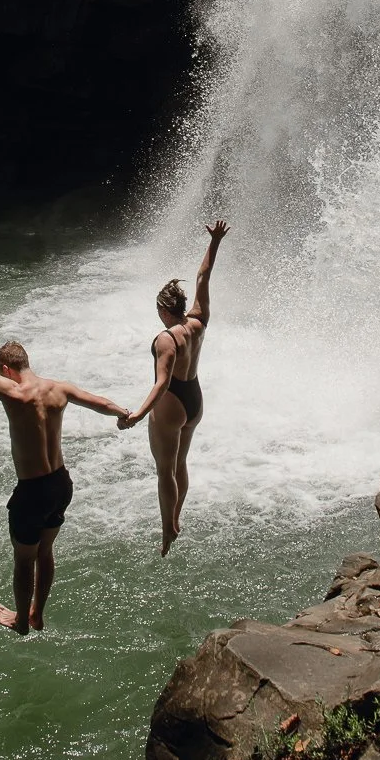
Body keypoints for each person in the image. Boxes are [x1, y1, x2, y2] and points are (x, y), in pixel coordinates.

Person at [0, 284, 130, 634]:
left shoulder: (14, 393)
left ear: (7, 369)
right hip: (61, 483)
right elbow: (97, 400)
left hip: (32, 491)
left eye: (0, 371)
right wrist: (123, 413)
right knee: (46, 551)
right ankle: (38, 613)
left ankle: (21, 620)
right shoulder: (59, 389)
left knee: (24, 558)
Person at [119, 221, 229, 555]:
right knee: (181, 463)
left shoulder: (166, 339)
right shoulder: (197, 320)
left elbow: (162, 382)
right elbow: (203, 277)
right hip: (194, 400)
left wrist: (138, 414)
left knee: (164, 471)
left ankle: (168, 528)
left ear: (164, 310)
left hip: (171, 406)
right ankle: (177, 516)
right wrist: (214, 242)